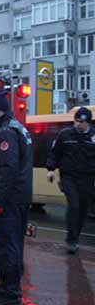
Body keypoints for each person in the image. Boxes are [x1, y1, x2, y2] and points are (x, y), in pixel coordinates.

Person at [0, 90, 33, 305]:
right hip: (20, 196)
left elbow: (8, 169)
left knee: (7, 243)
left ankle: (11, 291)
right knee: (15, 242)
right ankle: (7, 284)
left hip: (10, 199)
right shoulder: (18, 128)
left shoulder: (6, 133)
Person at [46, 106, 95, 254]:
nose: (79, 124)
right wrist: (50, 170)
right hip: (69, 177)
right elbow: (55, 153)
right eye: (77, 121)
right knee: (74, 206)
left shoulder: (93, 137)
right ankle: (71, 240)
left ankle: (76, 235)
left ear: (89, 123)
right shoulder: (65, 135)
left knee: (83, 209)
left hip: (87, 178)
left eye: (82, 122)